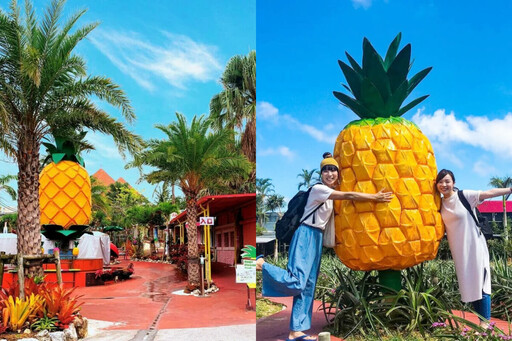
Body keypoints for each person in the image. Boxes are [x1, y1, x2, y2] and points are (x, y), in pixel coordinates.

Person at [256, 157, 393, 341]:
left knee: (309, 285)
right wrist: (375, 197)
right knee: (297, 280)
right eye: (326, 170)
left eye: (333, 170)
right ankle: (262, 263)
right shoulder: (319, 190)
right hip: (305, 234)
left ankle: (296, 330)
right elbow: (349, 195)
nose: (330, 174)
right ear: (321, 174)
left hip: (317, 237)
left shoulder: (330, 191)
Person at [436, 169, 512, 327]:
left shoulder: (464, 196)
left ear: (453, 183)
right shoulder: (440, 204)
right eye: (441, 182)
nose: (444, 184)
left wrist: (510, 189)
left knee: (480, 283)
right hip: (459, 250)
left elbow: (489, 193)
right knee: (469, 285)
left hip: (475, 246)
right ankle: (481, 323)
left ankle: (485, 325)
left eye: (447, 181)